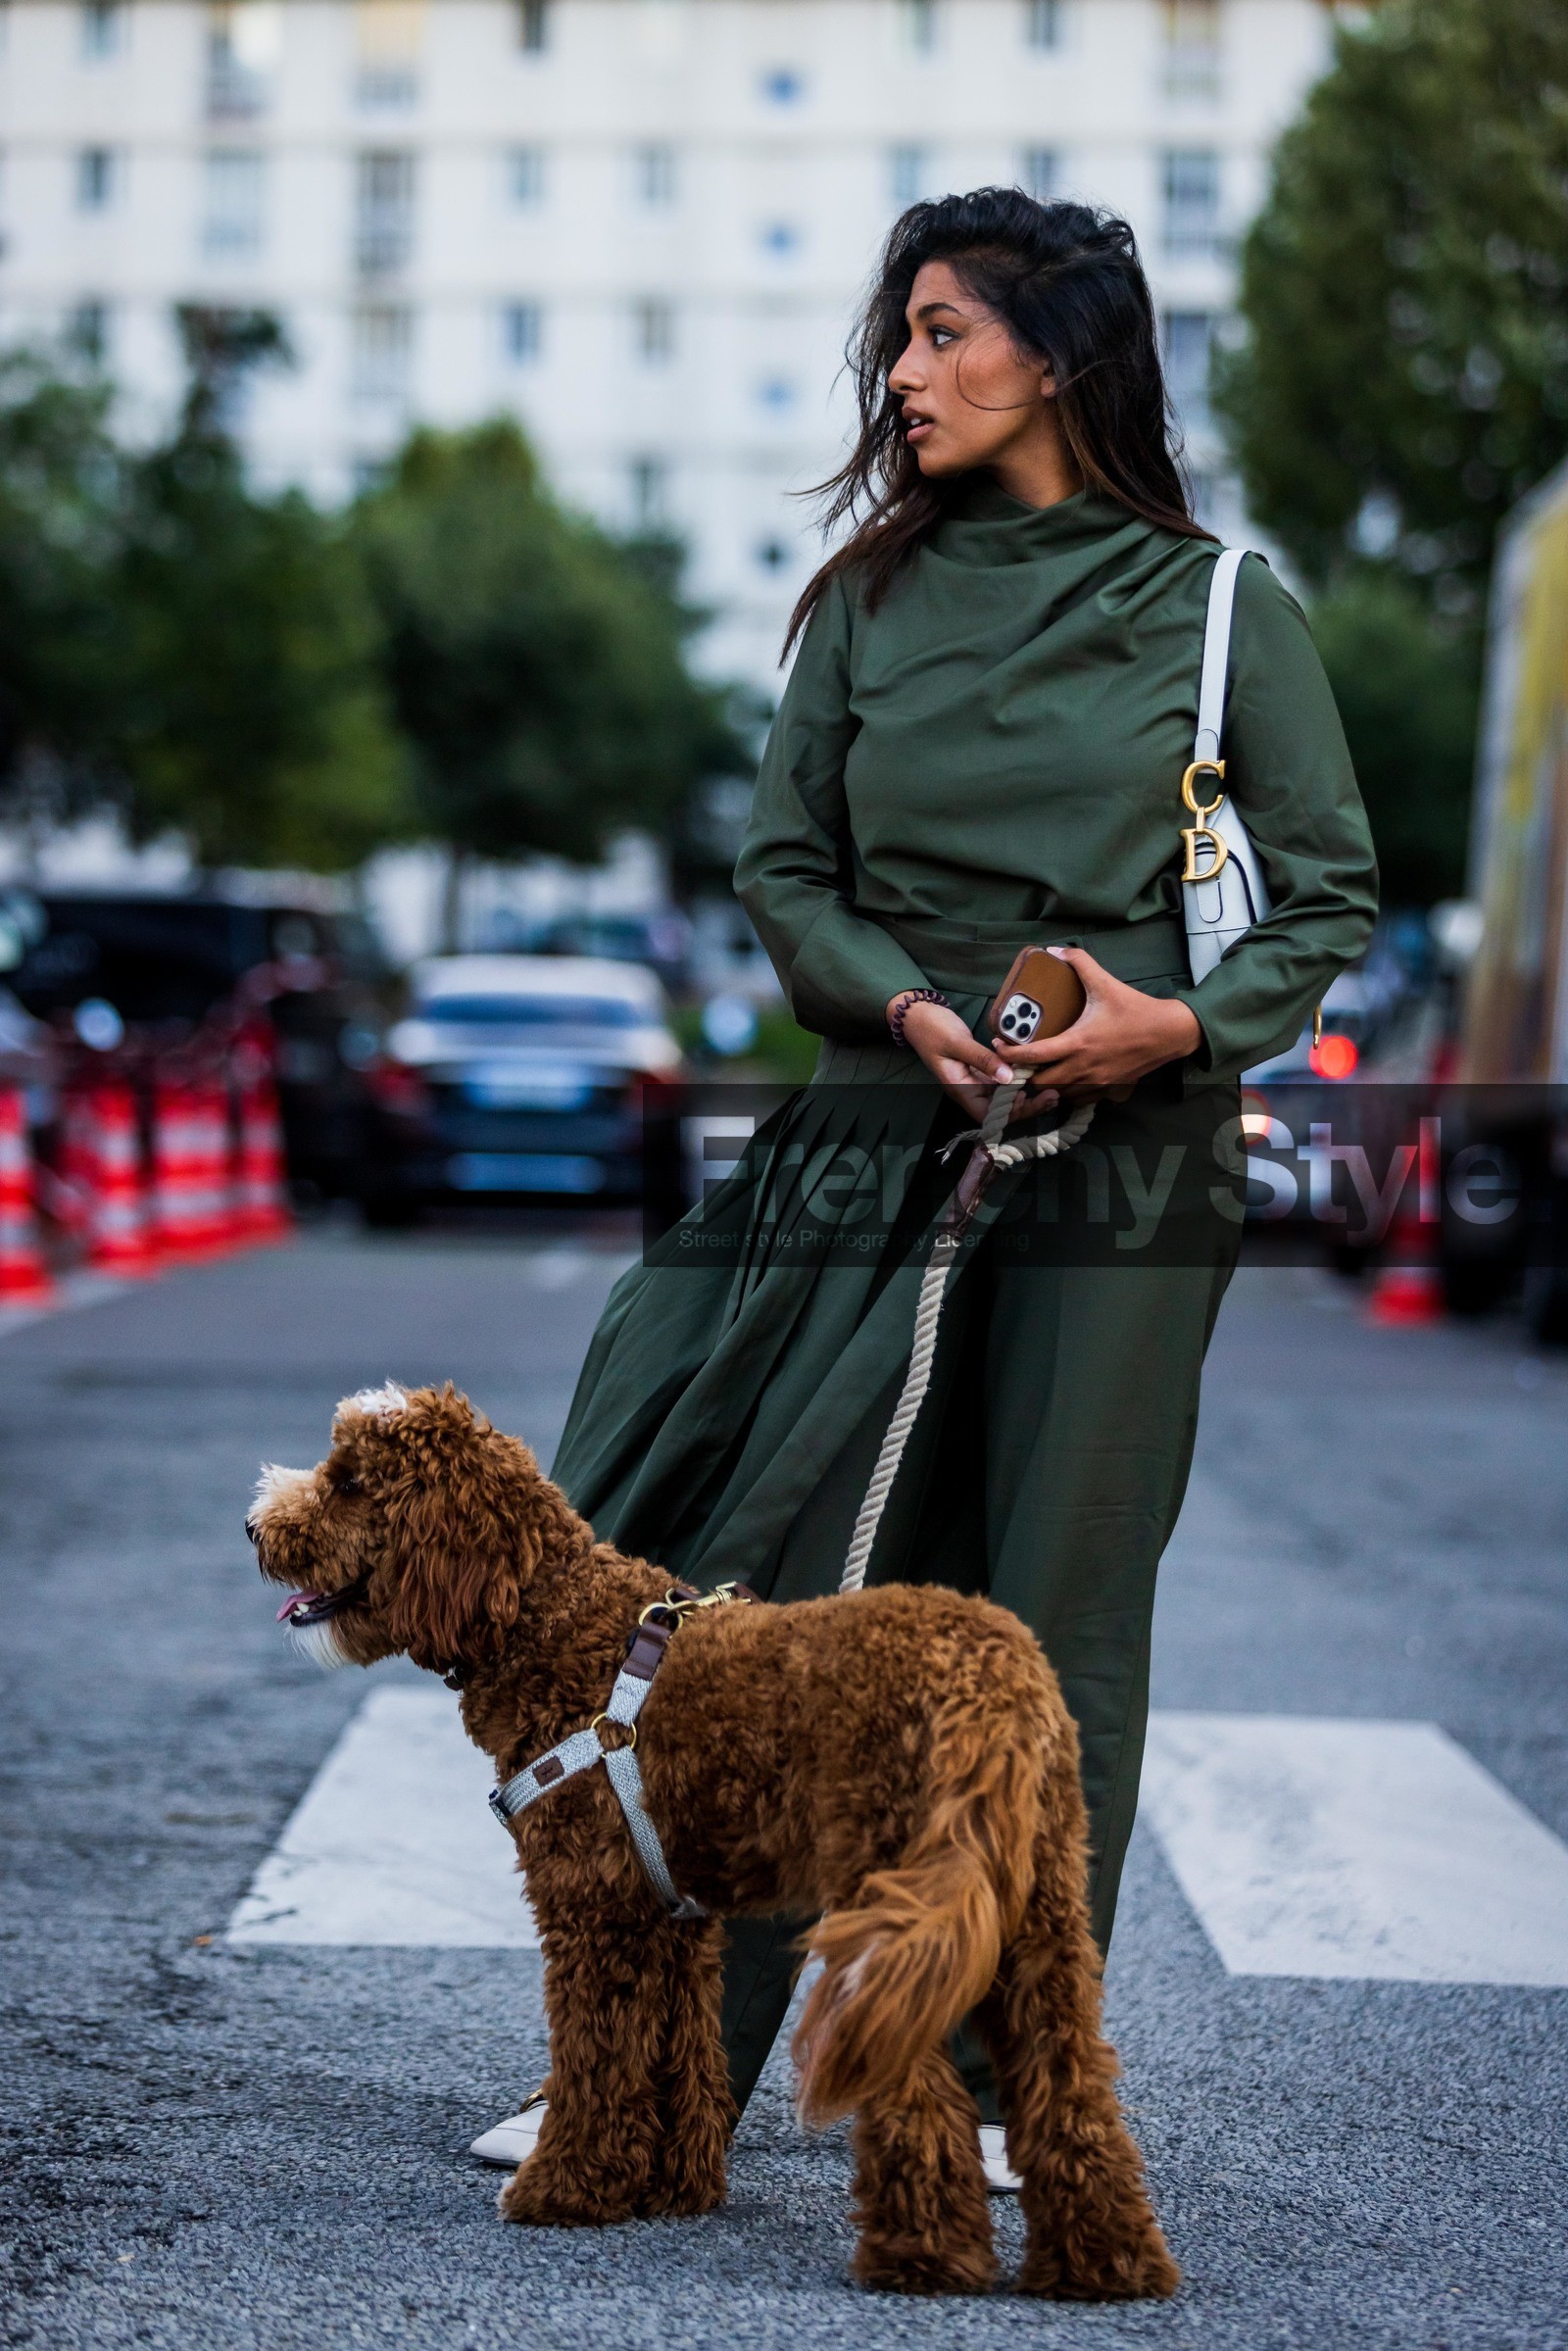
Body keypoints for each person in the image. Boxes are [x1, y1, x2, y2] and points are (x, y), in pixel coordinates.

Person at [471, 187, 1377, 2186]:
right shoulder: (865, 601)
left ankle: (975, 2086)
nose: (900, 371)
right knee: (749, 1587)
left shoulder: (1221, 605)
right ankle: (657, 2073)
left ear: (1055, 353)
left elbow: (1321, 892)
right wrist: (891, 1005)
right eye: (899, 335)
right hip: (872, 1134)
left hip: (1114, 1175)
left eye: (940, 331)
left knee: (1040, 1614)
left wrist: (1173, 1028)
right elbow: (784, 872)